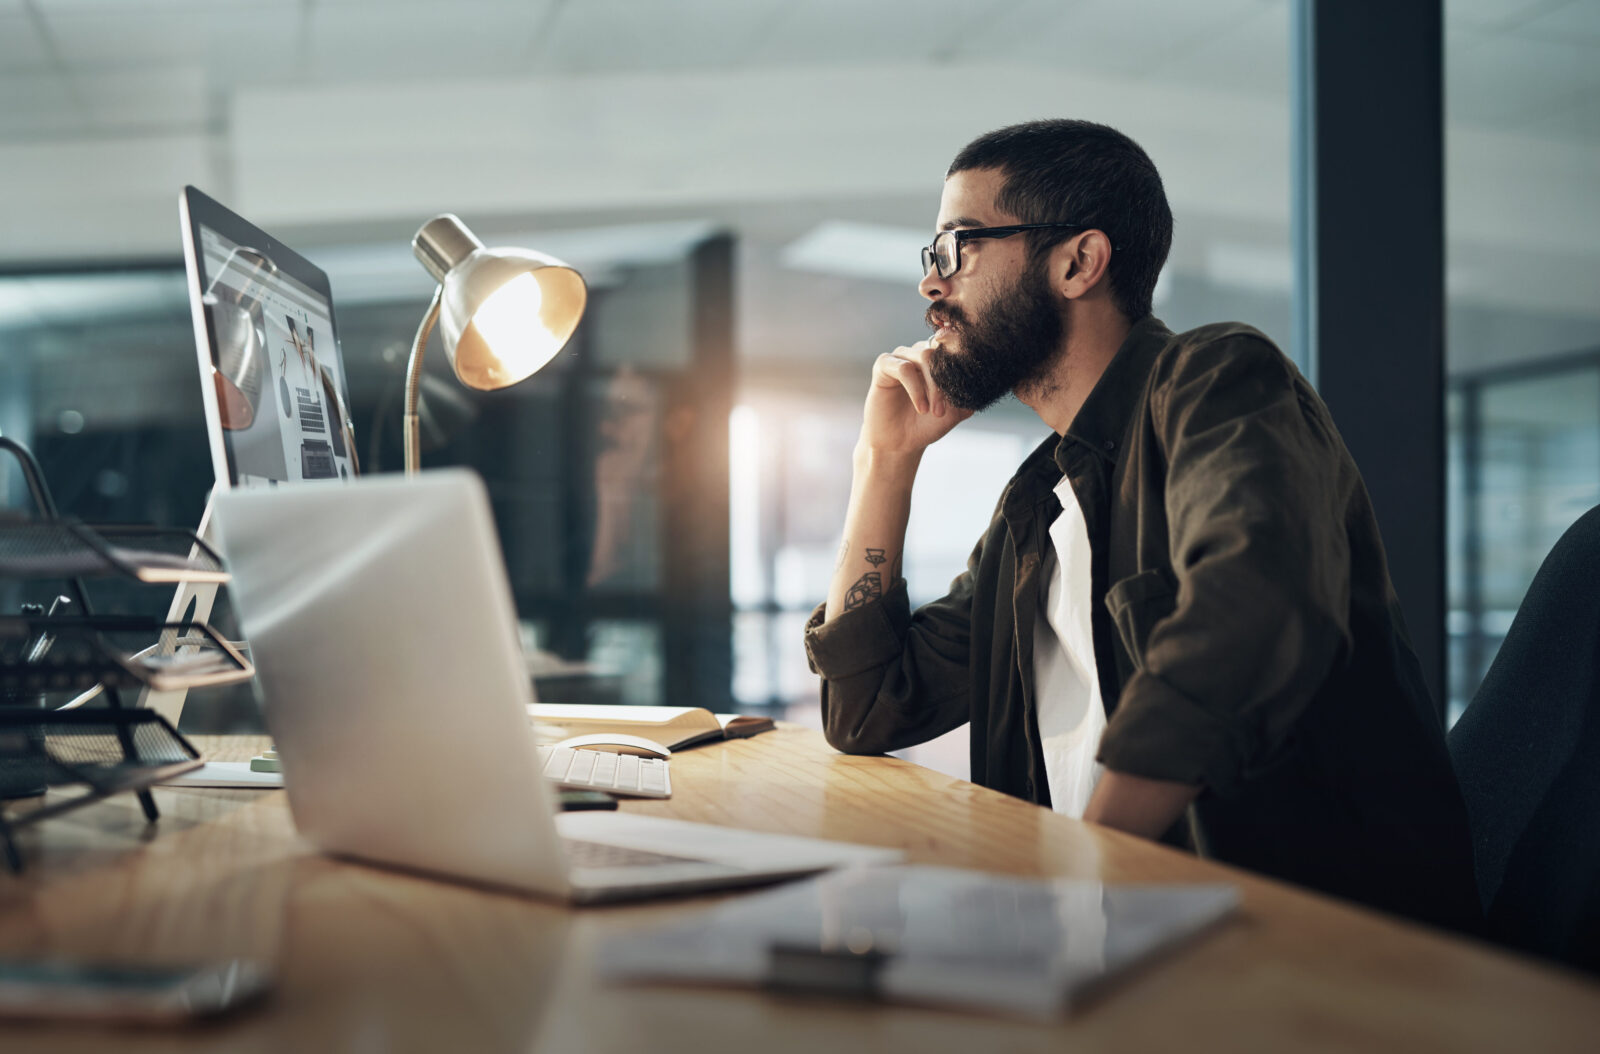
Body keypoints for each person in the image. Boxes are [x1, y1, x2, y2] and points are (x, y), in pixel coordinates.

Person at [803, 119, 1482, 933]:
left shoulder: (1217, 378)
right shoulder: (1040, 504)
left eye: (957, 247)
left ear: (1078, 262)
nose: (931, 285)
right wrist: (883, 465)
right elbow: (868, 709)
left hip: (1294, 964)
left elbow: (1252, 608)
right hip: (1098, 950)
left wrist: (1085, 872)